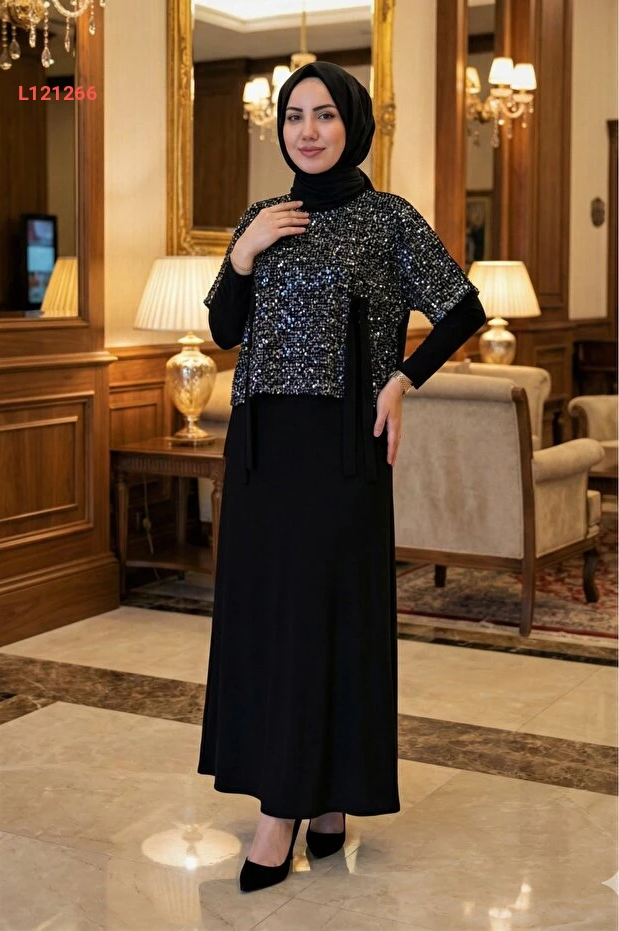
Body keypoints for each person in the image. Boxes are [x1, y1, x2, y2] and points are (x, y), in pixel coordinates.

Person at [197, 61, 486, 894]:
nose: (308, 130)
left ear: (351, 124)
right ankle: (323, 802)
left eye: (324, 114)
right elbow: (223, 329)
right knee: (267, 619)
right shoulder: (263, 216)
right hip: (260, 447)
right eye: (294, 116)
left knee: (321, 618)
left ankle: (280, 812)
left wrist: (401, 378)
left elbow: (461, 305)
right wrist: (244, 253)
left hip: (339, 449)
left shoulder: (385, 216)